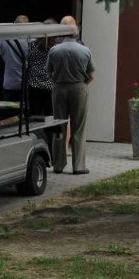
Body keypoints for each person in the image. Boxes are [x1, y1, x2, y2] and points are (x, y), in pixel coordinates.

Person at [48, 25, 95, 175]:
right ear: (76, 35)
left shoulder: (54, 50)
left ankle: (58, 165)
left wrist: (57, 81)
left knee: (59, 126)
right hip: (79, 88)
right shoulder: (85, 50)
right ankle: (78, 166)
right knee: (78, 127)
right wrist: (83, 83)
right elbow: (92, 75)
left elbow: (48, 72)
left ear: (63, 34)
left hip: (60, 88)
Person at [27, 19, 57, 116]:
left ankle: (50, 131)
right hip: (34, 86)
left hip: (49, 87)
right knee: (35, 115)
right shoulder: (32, 46)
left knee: (50, 116)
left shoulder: (55, 48)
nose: (53, 39)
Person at [0, 15, 30, 101]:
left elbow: (2, 55)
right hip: (25, 83)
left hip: (9, 82)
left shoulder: (3, 39)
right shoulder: (31, 40)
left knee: (9, 111)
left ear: (14, 24)